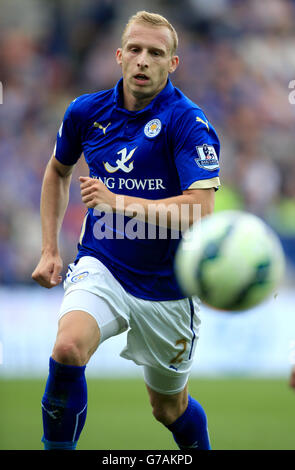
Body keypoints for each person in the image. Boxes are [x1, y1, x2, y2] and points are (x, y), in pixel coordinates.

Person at [32, 11, 220, 450]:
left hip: (168, 287)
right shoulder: (85, 111)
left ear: (172, 64)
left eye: (155, 53)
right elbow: (57, 171)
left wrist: (118, 202)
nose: (142, 60)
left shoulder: (188, 122)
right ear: (119, 56)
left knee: (167, 409)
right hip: (104, 264)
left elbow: (202, 210)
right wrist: (49, 249)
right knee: (67, 349)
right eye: (134, 50)